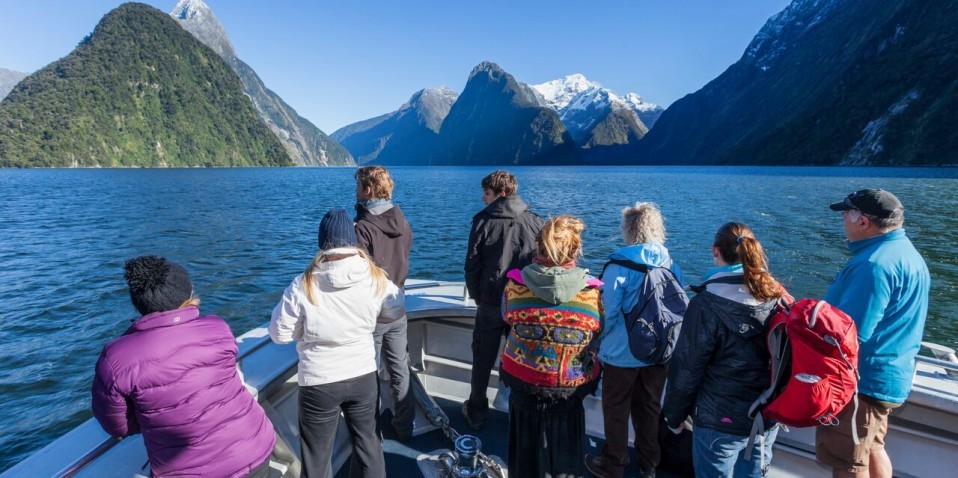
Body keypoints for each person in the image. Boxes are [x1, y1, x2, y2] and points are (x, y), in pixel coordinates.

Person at [92, 255, 276, 478]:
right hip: (254, 447)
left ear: (138, 303)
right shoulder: (217, 327)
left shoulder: (115, 358)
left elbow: (118, 427)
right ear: (189, 295)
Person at [270, 208, 405, 478]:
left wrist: (305, 332)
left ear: (322, 243)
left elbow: (279, 334)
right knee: (369, 445)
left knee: (317, 458)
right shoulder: (375, 277)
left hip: (319, 381)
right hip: (362, 374)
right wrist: (368, 321)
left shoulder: (303, 284)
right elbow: (396, 307)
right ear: (352, 241)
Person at [817, 189, 930, 478]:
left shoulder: (872, 265)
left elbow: (849, 334)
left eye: (845, 214)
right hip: (889, 374)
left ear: (863, 222)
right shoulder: (907, 255)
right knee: (872, 446)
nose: (843, 220)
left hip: (861, 382)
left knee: (849, 461)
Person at [663, 222, 785, 478]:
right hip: (766, 416)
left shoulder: (706, 304)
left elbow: (686, 370)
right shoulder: (777, 297)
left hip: (718, 420)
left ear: (715, 251)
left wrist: (674, 418)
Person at [585, 202, 684, 478]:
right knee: (650, 408)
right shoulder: (670, 264)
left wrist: (596, 343)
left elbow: (608, 313)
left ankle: (614, 463)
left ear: (628, 230)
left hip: (620, 354)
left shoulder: (619, 265)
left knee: (616, 409)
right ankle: (649, 463)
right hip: (658, 354)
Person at [500, 215, 603, 478]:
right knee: (566, 464)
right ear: (575, 251)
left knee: (524, 461)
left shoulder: (515, 284)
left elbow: (507, 317)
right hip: (570, 388)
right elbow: (598, 330)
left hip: (524, 382)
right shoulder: (592, 293)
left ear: (539, 247)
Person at [462, 170, 544, 429]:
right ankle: (516, 411)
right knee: (520, 359)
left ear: (502, 194)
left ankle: (477, 411)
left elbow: (472, 266)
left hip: (490, 302)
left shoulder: (482, 221)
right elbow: (540, 262)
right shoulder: (535, 222)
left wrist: (478, 297)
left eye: (487, 193)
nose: (483, 198)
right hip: (522, 303)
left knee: (482, 358)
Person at [354, 165, 415, 441]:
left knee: (368, 373)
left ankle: (372, 433)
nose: (355, 191)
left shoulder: (362, 229)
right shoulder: (404, 224)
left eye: (358, 187)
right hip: (398, 306)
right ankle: (405, 426)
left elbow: (357, 275)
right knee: (399, 368)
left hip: (372, 313)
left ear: (367, 190)